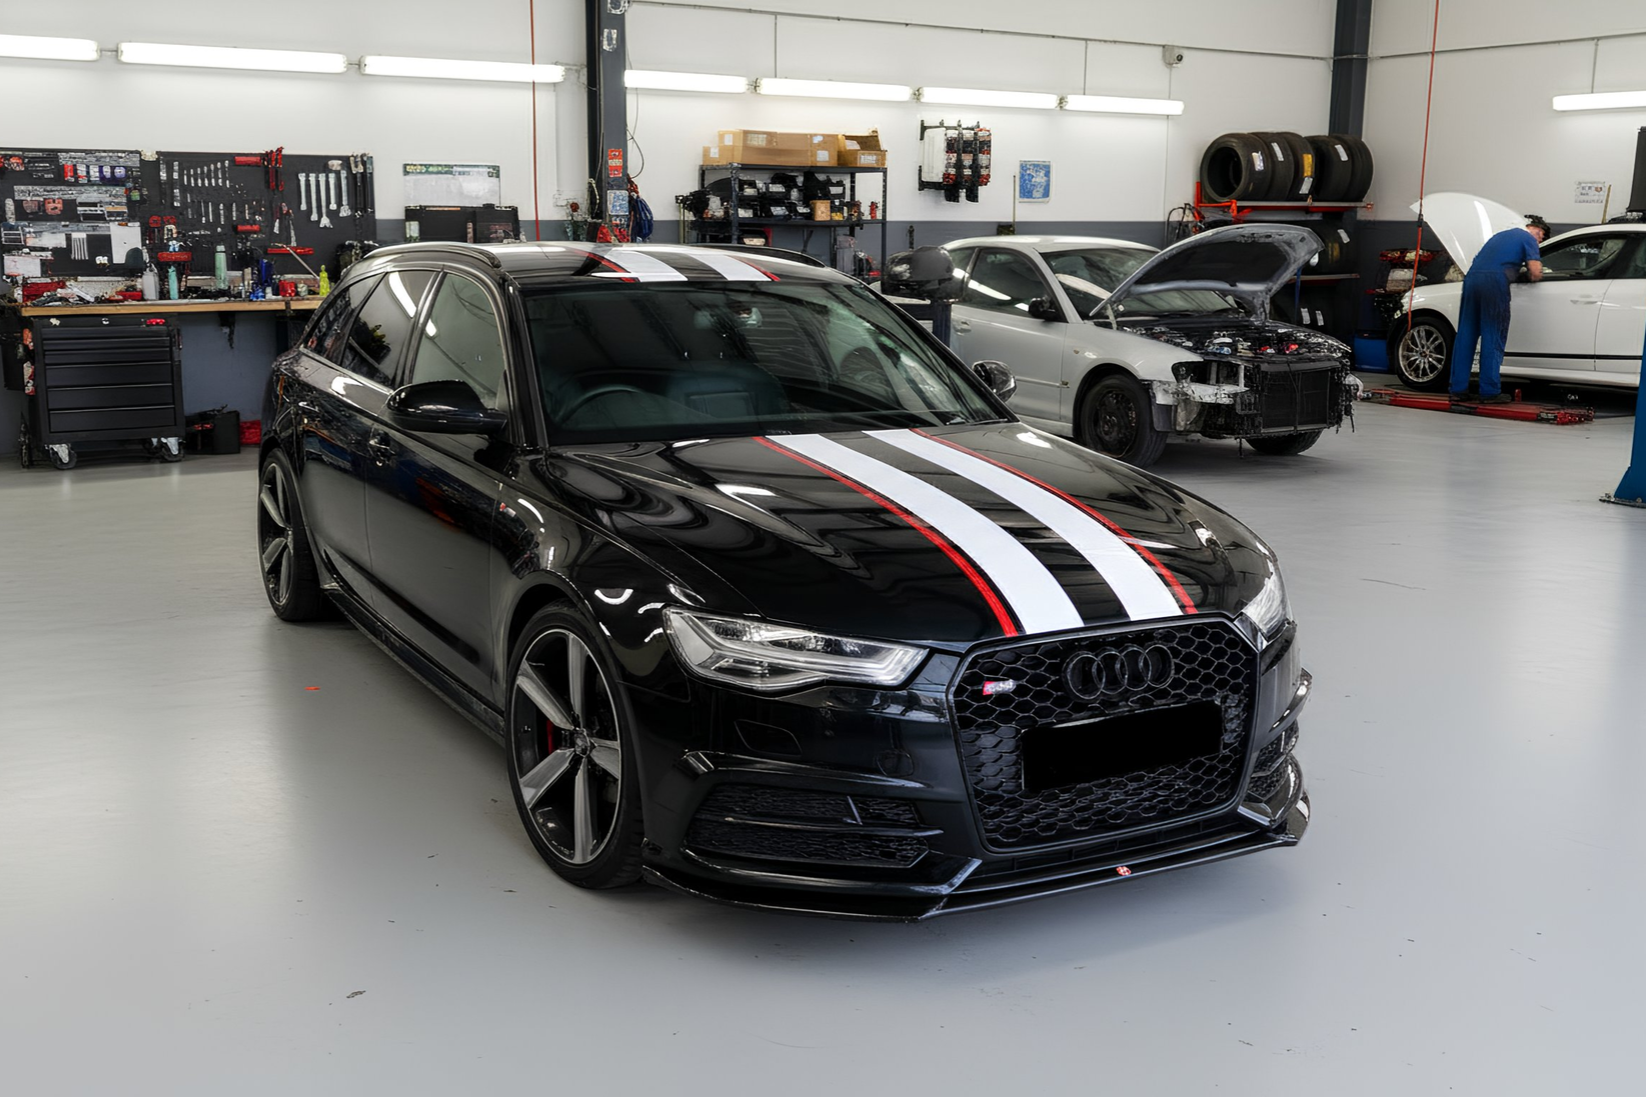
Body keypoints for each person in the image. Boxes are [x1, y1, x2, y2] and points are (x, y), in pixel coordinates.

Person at [1450, 215, 1549, 403]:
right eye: (1541, 234)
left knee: (1466, 334)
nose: (1540, 239)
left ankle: (1457, 389)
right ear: (1532, 227)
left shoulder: (1499, 236)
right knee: (1493, 334)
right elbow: (1535, 272)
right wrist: (1528, 276)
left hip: (1471, 280)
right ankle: (1489, 391)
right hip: (1494, 283)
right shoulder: (1527, 237)